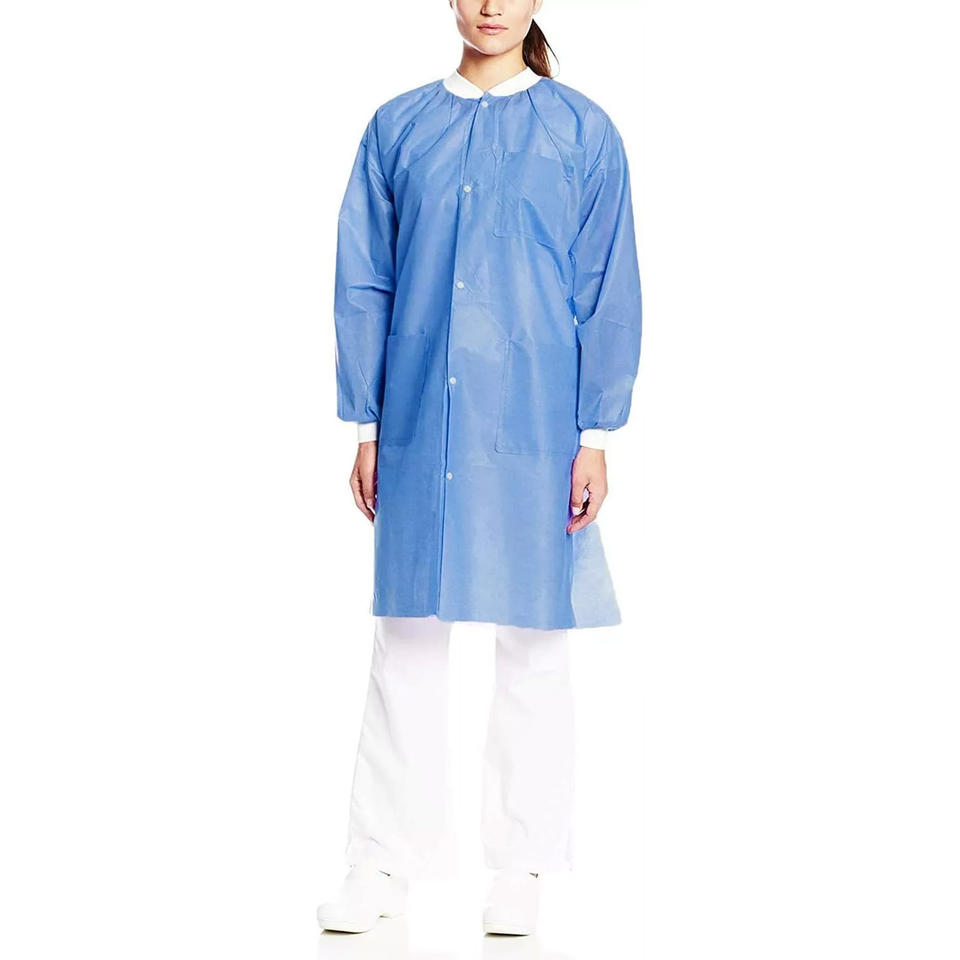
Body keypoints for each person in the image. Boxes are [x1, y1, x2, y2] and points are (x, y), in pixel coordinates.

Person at [318, 0, 642, 938]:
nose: (492, 3)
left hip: (538, 419)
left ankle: (523, 866)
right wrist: (368, 423)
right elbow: (365, 278)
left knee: (535, 639)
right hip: (420, 415)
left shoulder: (582, 131)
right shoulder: (398, 128)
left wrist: (595, 432)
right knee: (407, 639)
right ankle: (381, 860)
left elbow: (606, 283)